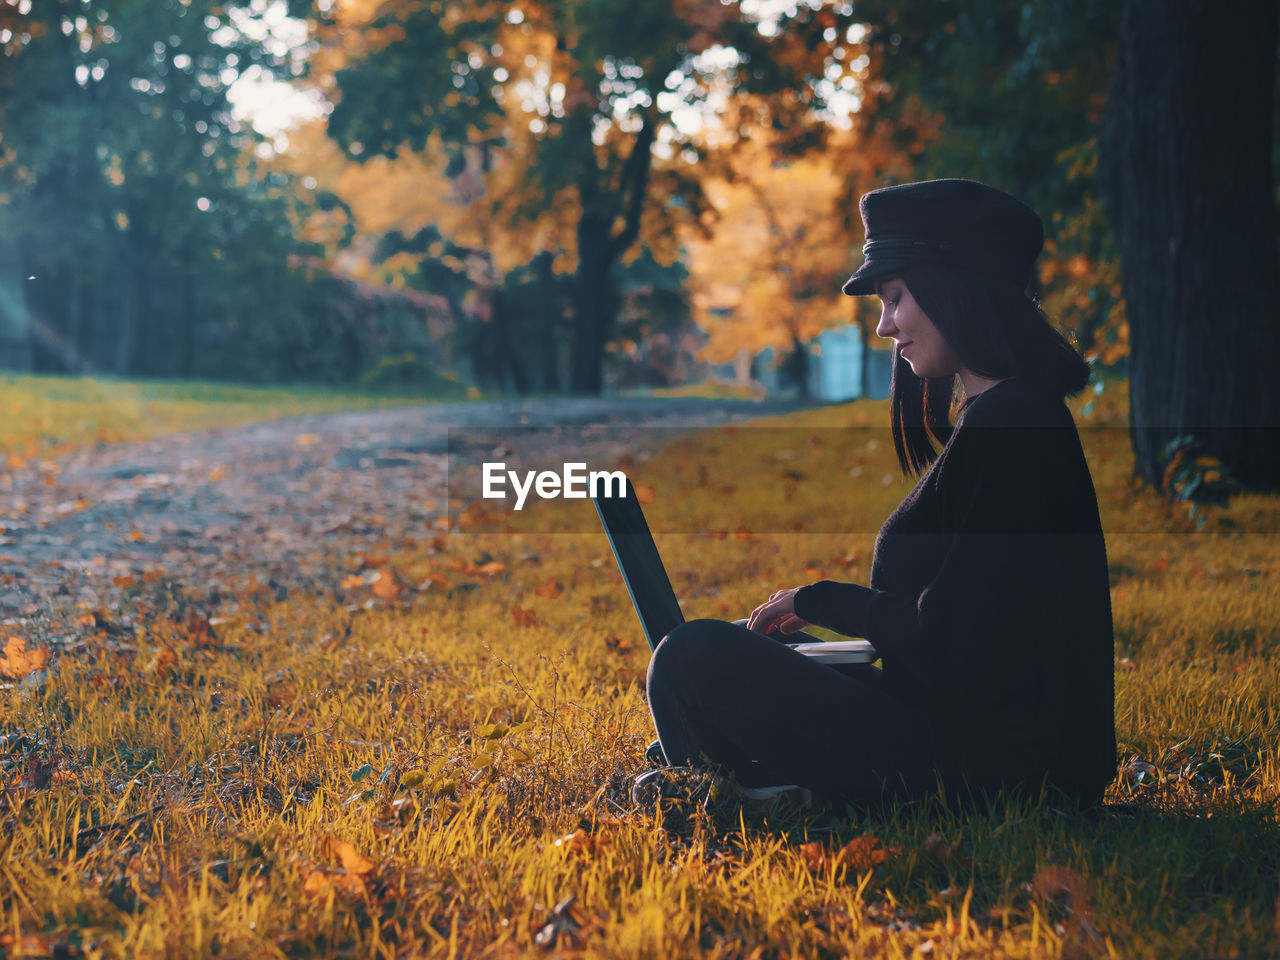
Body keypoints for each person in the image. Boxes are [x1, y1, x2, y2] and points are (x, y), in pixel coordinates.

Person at [641, 179, 1116, 808]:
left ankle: (756, 791)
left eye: (894, 297)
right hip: (969, 738)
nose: (885, 325)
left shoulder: (1013, 425)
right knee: (725, 652)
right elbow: (966, 633)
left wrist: (817, 598)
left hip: (995, 768)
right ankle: (754, 783)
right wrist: (815, 648)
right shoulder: (1002, 417)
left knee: (690, 655)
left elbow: (948, 641)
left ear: (954, 288)